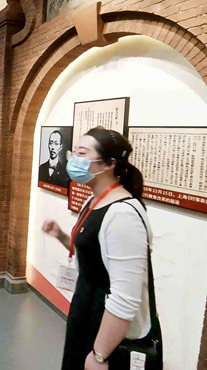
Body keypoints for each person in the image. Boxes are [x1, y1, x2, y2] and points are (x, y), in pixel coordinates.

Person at [42, 127, 152, 370]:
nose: (73, 159)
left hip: (105, 330)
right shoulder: (93, 201)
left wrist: (99, 354)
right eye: (74, 152)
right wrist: (61, 235)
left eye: (82, 153)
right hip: (84, 313)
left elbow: (124, 297)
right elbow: (93, 254)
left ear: (109, 164)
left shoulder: (123, 214)